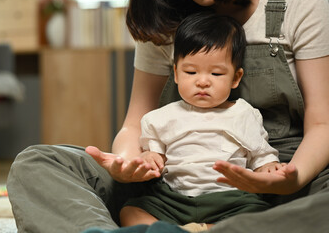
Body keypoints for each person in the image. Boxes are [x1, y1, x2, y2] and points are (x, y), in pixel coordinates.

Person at [7, 0, 329, 232]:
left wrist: (290, 178)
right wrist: (127, 162)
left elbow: (322, 123)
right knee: (37, 164)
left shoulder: (301, 1)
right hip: (167, 182)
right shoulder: (166, 14)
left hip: (277, 176)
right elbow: (135, 124)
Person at [119, 12, 282, 231]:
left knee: (263, 214)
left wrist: (269, 169)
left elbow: (261, 157)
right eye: (191, 71)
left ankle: (204, 228)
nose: (203, 81)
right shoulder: (161, 117)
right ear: (176, 74)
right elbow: (155, 154)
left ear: (235, 78)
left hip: (230, 199)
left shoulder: (244, 114)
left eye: (216, 73)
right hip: (175, 198)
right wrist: (149, 157)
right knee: (130, 210)